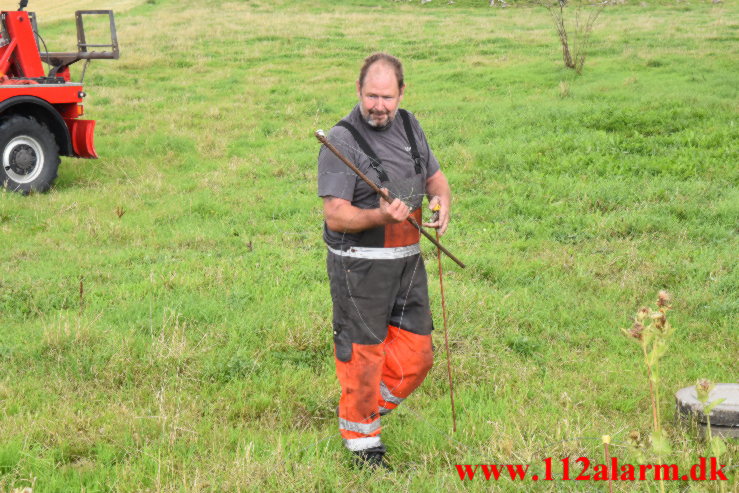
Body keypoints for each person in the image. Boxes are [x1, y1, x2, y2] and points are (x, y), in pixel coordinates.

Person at [317, 52, 452, 469]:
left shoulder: (410, 125)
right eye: (371, 95)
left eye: (387, 96)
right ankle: (362, 445)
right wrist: (378, 214)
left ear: (401, 94)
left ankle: (361, 410)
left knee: (418, 355)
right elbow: (335, 213)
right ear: (358, 90)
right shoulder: (340, 141)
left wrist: (442, 200)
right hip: (360, 267)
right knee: (364, 354)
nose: (379, 105)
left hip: (409, 262)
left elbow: (434, 177)